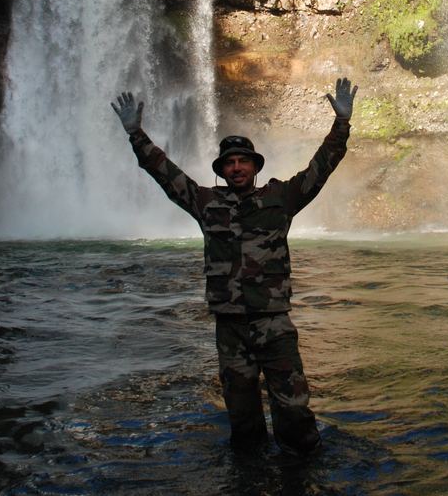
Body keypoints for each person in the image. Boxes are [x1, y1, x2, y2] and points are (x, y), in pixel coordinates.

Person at [110, 77, 358, 456]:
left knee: (293, 409)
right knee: (241, 415)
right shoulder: (205, 202)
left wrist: (341, 124)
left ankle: (304, 473)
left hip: (273, 322)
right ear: (222, 170)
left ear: (255, 166)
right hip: (230, 327)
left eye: (243, 161)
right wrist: (135, 133)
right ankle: (249, 480)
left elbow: (320, 169)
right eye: (230, 162)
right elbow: (164, 172)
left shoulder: (281, 198)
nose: (237, 167)